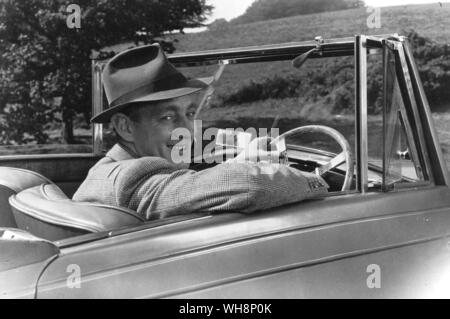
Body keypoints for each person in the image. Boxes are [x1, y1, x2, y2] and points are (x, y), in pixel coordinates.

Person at [73, 44, 328, 220]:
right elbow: (253, 184)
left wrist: (241, 162)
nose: (187, 130)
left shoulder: (106, 172)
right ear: (125, 127)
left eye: (191, 114)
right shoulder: (133, 179)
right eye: (168, 117)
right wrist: (316, 181)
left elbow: (181, 186)